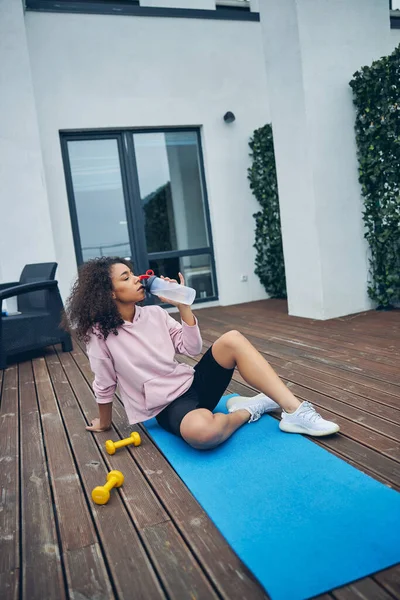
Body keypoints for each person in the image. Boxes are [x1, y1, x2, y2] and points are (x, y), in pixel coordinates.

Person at [64, 257, 340, 450]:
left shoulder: (155, 315)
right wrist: (104, 422)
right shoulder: (99, 335)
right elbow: (104, 382)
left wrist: (183, 306)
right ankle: (248, 410)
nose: (137, 279)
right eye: (126, 277)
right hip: (168, 406)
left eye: (133, 273)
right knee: (203, 434)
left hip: (193, 385)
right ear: (109, 293)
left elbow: (191, 349)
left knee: (231, 339)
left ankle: (295, 411)